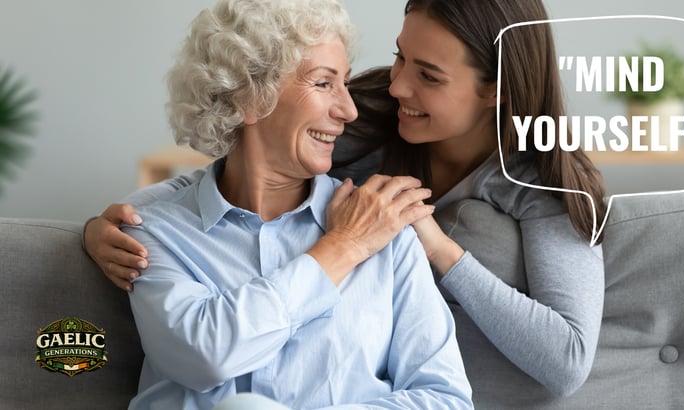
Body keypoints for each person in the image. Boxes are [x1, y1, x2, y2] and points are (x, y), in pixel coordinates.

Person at [85, 0, 606, 401]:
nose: (396, 84)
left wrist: (436, 248)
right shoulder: (376, 114)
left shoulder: (547, 182)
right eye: (402, 56)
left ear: (496, 90)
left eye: (428, 75)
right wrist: (111, 224)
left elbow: (565, 360)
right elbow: (243, 153)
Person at [114, 0, 473, 408]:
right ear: (247, 96)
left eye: (346, 84)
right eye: (323, 84)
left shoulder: (386, 232)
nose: (349, 109)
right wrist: (342, 248)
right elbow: (204, 356)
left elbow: (447, 399)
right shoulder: (154, 232)